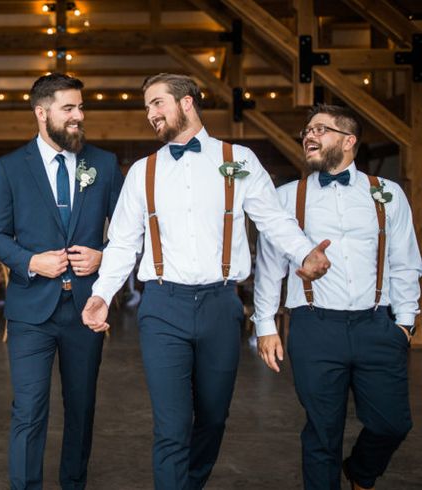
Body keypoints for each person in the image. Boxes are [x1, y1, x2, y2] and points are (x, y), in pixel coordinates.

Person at [81, 73, 331, 489]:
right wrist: (101, 295)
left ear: (187, 103)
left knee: (214, 418)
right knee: (171, 425)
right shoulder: (143, 172)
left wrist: (305, 252)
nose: (151, 114)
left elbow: (273, 220)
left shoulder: (240, 159)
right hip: (162, 308)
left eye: (157, 103)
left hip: (221, 305)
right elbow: (123, 243)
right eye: (147, 107)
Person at [253, 104, 421, 490]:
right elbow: (269, 267)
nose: (309, 135)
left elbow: (405, 262)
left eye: (321, 130)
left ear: (349, 142)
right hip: (315, 326)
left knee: (392, 423)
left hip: (377, 325)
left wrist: (405, 323)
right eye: (307, 130)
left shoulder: (387, 194)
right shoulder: (285, 198)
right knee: (322, 432)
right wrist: (265, 325)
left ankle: (361, 472)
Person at [0, 73, 124, 489]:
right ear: (41, 112)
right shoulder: (10, 167)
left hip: (86, 309)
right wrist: (30, 262)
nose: (78, 116)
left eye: (81, 108)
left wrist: (103, 254)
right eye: (69, 108)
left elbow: (126, 230)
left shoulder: (103, 163)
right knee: (29, 409)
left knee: (81, 410)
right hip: (31, 310)